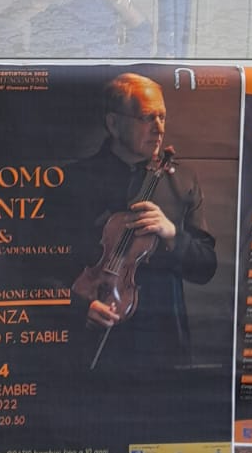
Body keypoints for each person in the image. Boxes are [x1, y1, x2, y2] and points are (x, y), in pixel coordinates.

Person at [65, 72, 217, 372]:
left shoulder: (183, 180)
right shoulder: (75, 180)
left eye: (162, 117)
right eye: (147, 117)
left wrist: (172, 235)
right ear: (113, 123)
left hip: (166, 345)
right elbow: (42, 266)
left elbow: (206, 268)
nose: (159, 128)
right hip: (96, 344)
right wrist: (81, 306)